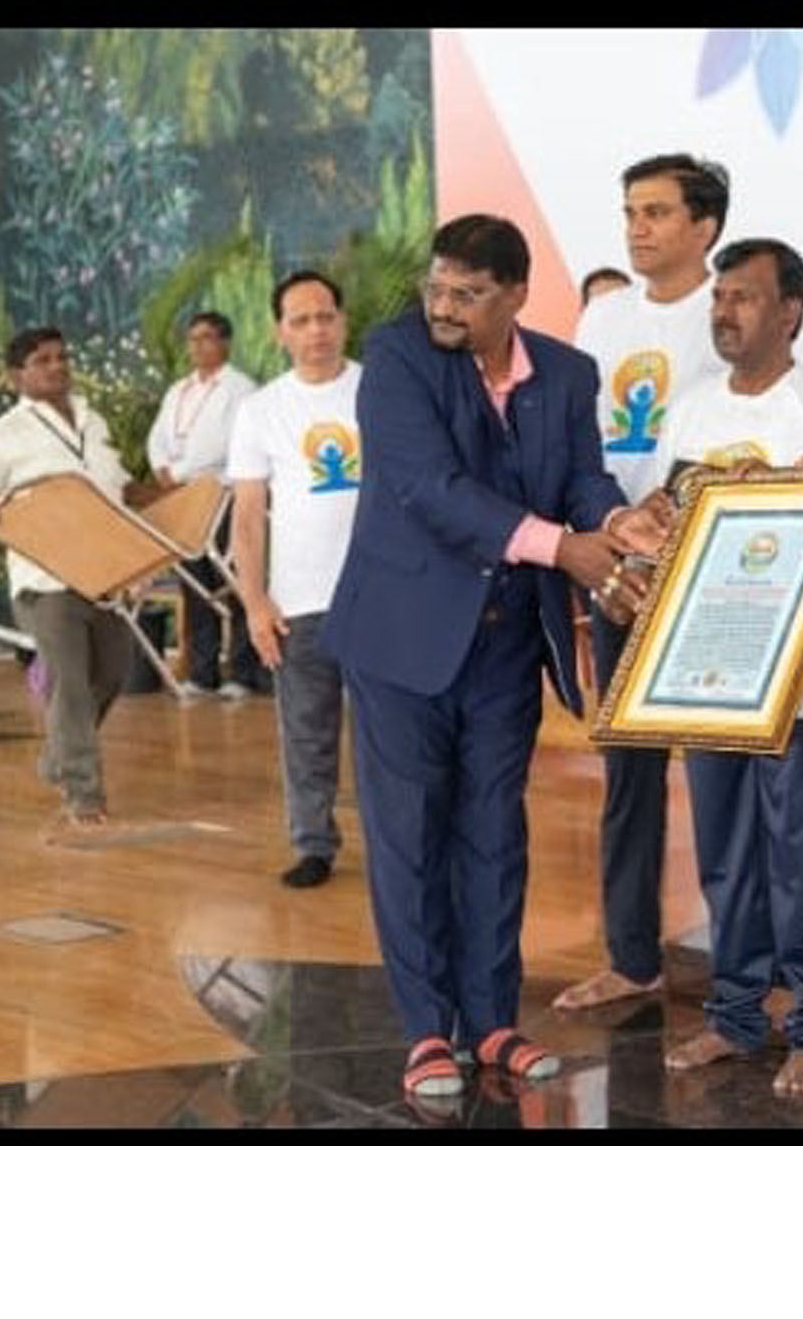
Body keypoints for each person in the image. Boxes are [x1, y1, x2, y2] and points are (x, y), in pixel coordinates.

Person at [319, 214, 667, 1099]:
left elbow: (581, 477)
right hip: (401, 639)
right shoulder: (398, 359)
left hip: (507, 643)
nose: (443, 306)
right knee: (410, 838)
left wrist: (614, 519)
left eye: (466, 295)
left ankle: (493, 1022)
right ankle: (427, 1030)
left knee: (494, 833)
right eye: (436, 288)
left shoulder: (567, 373)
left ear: (515, 295)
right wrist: (563, 548)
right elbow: (429, 489)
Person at [651, 237, 803, 1097]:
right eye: (719, 298)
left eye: (742, 297)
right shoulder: (690, 411)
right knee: (727, 857)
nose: (723, 312)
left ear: (791, 311)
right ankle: (736, 1013)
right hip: (709, 674)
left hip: (798, 681)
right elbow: (665, 517)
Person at [555, 153, 731, 1013]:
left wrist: (668, 524)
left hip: (704, 573)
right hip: (617, 570)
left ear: (705, 226)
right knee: (627, 772)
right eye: (630, 211)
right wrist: (603, 536)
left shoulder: (728, 307)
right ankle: (632, 956)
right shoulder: (604, 316)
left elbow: (736, 433)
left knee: (721, 776)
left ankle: (748, 969)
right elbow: (576, 438)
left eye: (656, 212)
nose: (637, 227)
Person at [227, 272, 361, 889]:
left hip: (379, 597)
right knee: (306, 733)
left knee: (387, 737)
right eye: (301, 320)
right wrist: (255, 601)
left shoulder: (379, 391)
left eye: (325, 316)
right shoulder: (260, 410)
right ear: (280, 331)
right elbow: (248, 517)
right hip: (299, 601)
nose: (316, 331)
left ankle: (398, 841)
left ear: (343, 320)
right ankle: (313, 843)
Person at [0, 328, 133, 831]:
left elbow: (118, 489)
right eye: (42, 360)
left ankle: (58, 756)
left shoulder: (94, 420)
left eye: (62, 357)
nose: (57, 366)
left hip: (105, 573)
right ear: (16, 375)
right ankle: (84, 793)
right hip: (44, 580)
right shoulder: (1, 435)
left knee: (112, 672)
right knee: (70, 683)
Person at [145, 310, 261, 699]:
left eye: (206, 338)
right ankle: (202, 673)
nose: (197, 346)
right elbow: (158, 436)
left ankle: (242, 674)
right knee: (195, 586)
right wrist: (160, 466)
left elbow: (224, 443)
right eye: (192, 339)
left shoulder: (242, 389)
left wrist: (177, 471)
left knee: (235, 584)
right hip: (183, 498)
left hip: (223, 495)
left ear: (225, 342)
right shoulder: (179, 389)